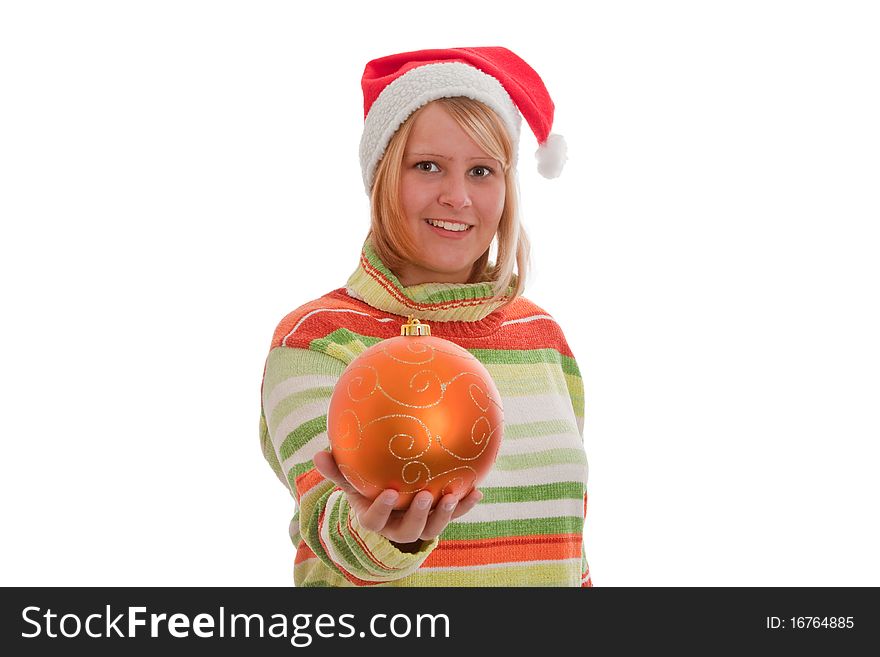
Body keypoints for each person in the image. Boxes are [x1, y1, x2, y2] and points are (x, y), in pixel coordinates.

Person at [259, 47, 591, 586]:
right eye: (428, 166)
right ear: (384, 176)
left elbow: (569, 549)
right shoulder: (317, 339)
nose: (457, 196)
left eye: (482, 171)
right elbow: (328, 524)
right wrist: (390, 534)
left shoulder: (541, 337)